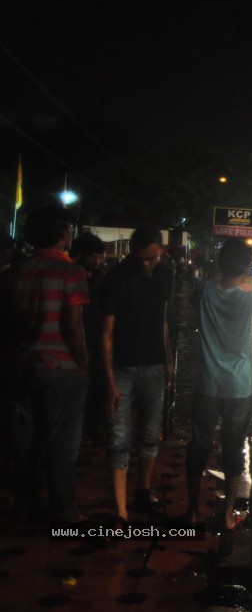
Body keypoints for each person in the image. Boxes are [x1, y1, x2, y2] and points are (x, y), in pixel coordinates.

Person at [1, 205, 90, 522]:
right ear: (64, 235)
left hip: (21, 366)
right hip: (60, 368)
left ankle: (26, 504)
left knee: (25, 440)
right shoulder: (72, 272)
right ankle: (63, 509)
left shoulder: (15, 272)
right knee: (61, 443)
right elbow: (73, 326)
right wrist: (84, 367)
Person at [185, 239, 252, 530]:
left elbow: (192, 313)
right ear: (247, 268)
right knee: (233, 447)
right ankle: (227, 515)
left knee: (199, 443)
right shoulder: (250, 297)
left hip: (207, 383)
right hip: (239, 387)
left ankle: (192, 511)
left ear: (220, 264)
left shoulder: (203, 292)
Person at [100, 226, 175, 521]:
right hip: (122, 365)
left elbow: (163, 322)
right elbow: (105, 334)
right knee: (118, 436)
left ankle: (143, 490)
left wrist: (169, 360)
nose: (147, 264)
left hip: (155, 364)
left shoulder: (166, 275)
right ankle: (120, 511)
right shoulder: (117, 278)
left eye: (152, 258)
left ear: (162, 253)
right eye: (142, 259)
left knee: (149, 433)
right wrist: (108, 381)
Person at [70, 232, 109, 445]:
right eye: (95, 256)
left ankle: (93, 427)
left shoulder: (100, 277)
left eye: (101, 256)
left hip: (95, 339)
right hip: (73, 341)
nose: (99, 261)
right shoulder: (73, 275)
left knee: (97, 386)